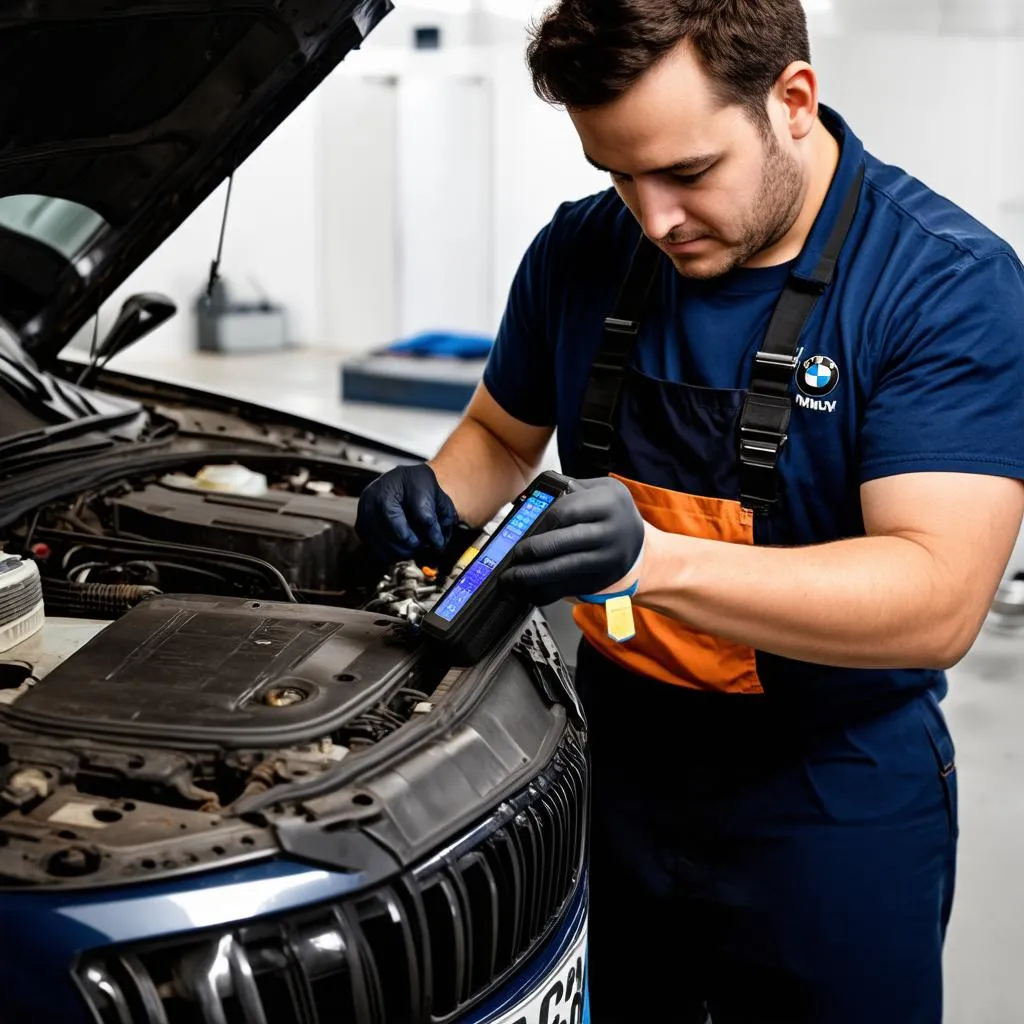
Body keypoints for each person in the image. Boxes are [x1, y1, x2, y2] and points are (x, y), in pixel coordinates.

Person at [355, 1, 1024, 1020]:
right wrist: (432, 495)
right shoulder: (581, 252)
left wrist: (653, 562)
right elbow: (499, 434)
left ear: (791, 100)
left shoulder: (940, 283)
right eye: (617, 175)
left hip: (829, 791)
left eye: (686, 172)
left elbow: (935, 595)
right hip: (610, 759)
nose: (652, 217)